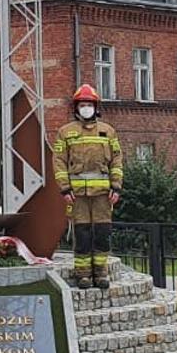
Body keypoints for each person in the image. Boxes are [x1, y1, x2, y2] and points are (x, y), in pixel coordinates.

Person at [52, 84, 122, 289]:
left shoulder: (108, 131)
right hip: (77, 195)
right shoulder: (65, 132)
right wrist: (65, 189)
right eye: (82, 104)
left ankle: (101, 272)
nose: (86, 108)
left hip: (103, 195)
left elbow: (117, 161)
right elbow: (59, 161)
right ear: (76, 107)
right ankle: (83, 274)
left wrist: (116, 187)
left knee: (102, 233)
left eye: (89, 104)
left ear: (96, 106)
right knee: (82, 234)